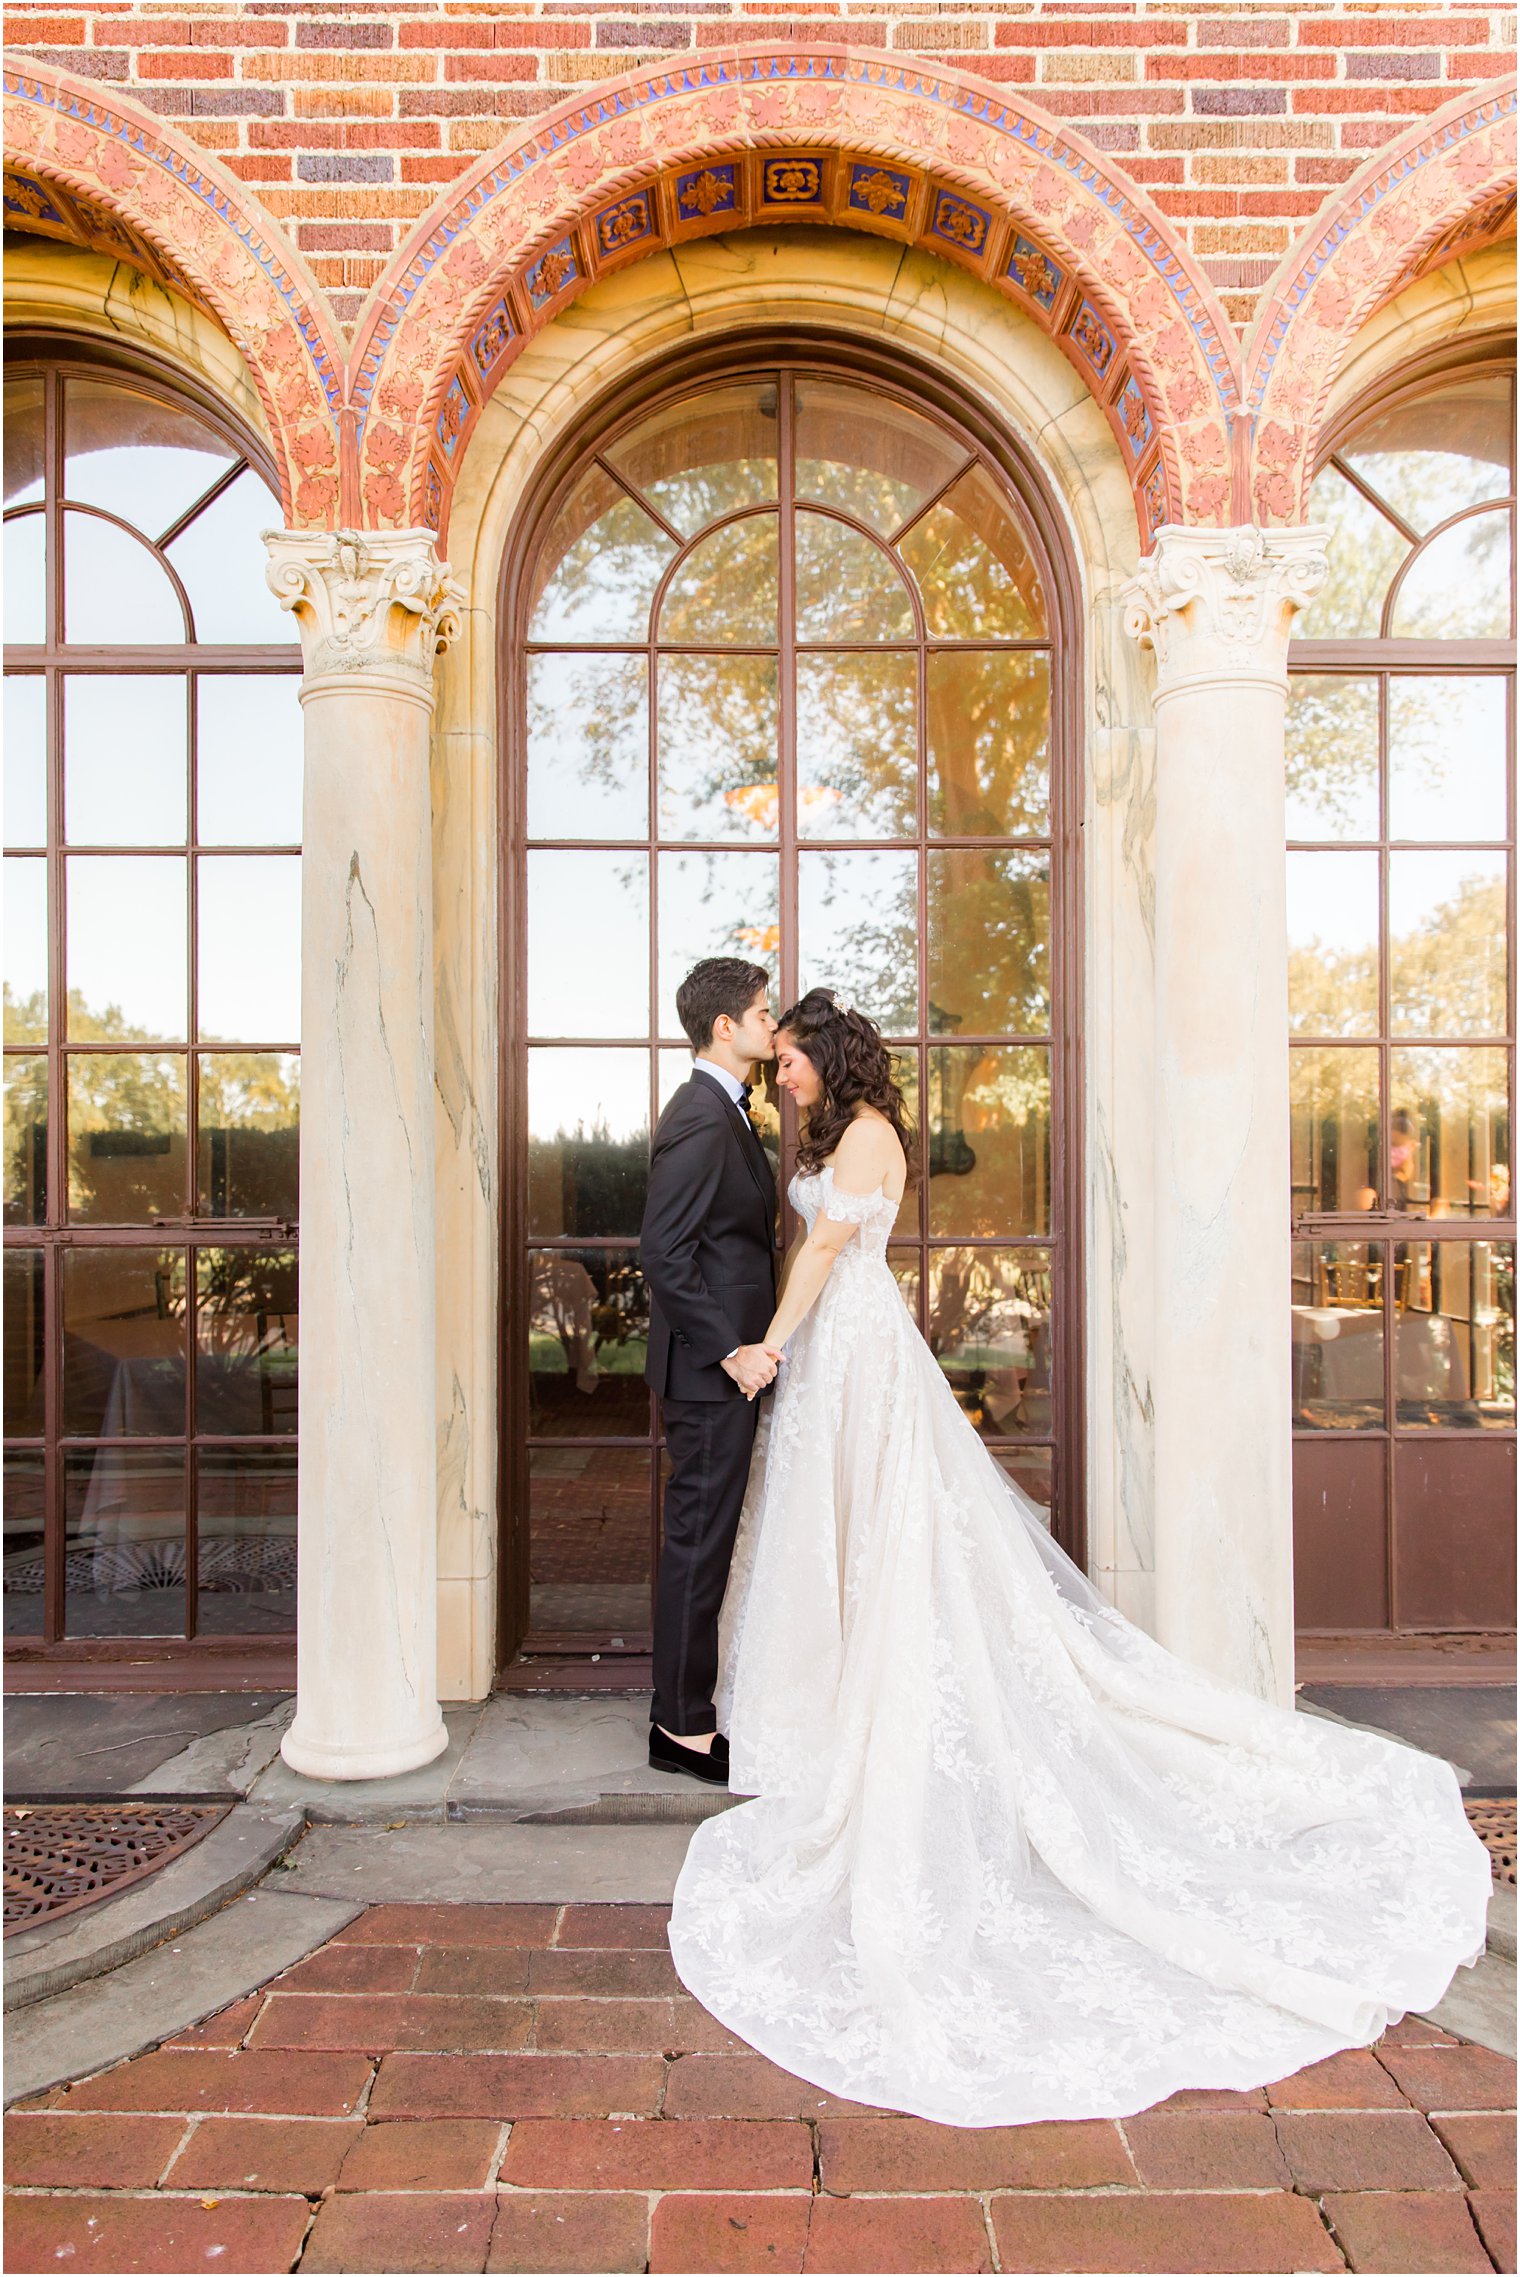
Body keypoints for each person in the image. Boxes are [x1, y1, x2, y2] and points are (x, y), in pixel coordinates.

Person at [667, 988, 1492, 2128]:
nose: (783, 1073)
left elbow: (821, 1252)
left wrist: (768, 1342)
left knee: (892, 1538)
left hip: (854, 1353)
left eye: (795, 1057)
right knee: (839, 1535)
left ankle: (881, 1705)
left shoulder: (863, 1136)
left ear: (828, 1056)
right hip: (837, 1364)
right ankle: (832, 1695)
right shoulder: (823, 1129)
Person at [639, 958, 782, 1786]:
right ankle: (681, 1728)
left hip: (721, 1369)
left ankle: (682, 1711)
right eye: (762, 1014)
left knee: (707, 1544)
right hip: (708, 1374)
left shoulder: (726, 1110)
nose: (772, 1024)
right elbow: (663, 1252)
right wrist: (732, 1347)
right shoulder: (699, 1115)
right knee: (697, 1547)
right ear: (724, 1027)